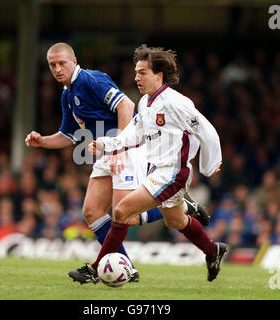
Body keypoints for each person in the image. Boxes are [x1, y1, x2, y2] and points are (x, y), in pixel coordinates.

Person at [25, 43, 209, 282]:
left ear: (74, 61)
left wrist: (120, 147)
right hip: (107, 151)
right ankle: (127, 269)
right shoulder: (67, 94)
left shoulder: (91, 80)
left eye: (62, 63)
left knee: (126, 216)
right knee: (92, 212)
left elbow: (126, 105)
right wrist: (42, 141)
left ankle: (181, 206)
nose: (58, 69)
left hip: (126, 150)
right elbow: (68, 135)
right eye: (52, 65)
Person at [69, 44, 228, 284]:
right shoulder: (145, 103)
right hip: (157, 172)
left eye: (142, 72)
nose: (136, 77)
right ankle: (212, 251)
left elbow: (206, 132)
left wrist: (210, 165)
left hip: (173, 174)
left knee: (121, 211)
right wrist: (105, 145)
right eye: (136, 72)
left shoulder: (176, 102)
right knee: (175, 221)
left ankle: (94, 269)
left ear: (158, 75)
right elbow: (134, 135)